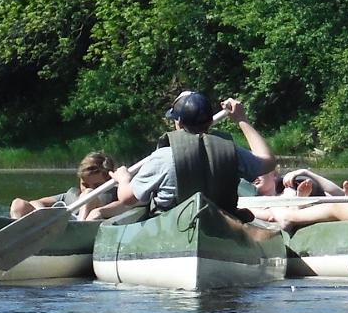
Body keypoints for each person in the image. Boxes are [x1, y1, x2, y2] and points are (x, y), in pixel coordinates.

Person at [112, 91, 274, 219]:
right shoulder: (231, 152)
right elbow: (268, 162)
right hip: (221, 225)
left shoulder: (162, 157)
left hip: (174, 227)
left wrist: (123, 179)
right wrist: (241, 119)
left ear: (179, 122)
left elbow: (127, 199)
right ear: (210, 122)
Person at [9, 151, 118, 220]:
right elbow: (35, 202)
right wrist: (44, 214)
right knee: (18, 203)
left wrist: (101, 211)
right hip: (61, 229)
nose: (89, 188)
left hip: (85, 228)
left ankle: (80, 226)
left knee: (89, 194)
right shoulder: (70, 196)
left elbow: (129, 204)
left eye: (97, 185)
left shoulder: (116, 195)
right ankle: (13, 234)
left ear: (109, 180)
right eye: (84, 184)